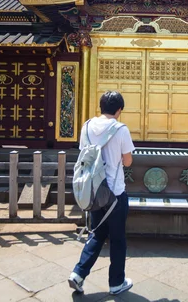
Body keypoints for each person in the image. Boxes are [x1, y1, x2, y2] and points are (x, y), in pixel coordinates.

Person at [68, 91, 135, 295]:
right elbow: (127, 161)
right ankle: (116, 283)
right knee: (117, 239)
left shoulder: (87, 126)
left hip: (94, 191)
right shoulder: (121, 129)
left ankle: (78, 273)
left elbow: (84, 154)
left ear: (101, 106)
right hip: (115, 192)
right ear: (119, 109)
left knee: (96, 234)